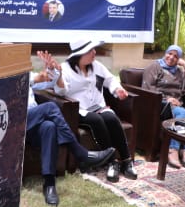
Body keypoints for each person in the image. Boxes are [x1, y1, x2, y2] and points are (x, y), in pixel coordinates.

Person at [26, 54, 116, 207]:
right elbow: (33, 80)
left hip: (33, 125)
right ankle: (80, 153)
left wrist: (53, 70)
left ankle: (49, 184)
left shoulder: (26, 75)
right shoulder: (2, 79)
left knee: (49, 127)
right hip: (16, 124)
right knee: (50, 107)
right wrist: (36, 78)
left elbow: (48, 80)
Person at [55, 40, 136, 182]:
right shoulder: (65, 69)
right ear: (80, 54)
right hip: (79, 110)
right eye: (90, 50)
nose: (94, 52)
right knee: (96, 120)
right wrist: (59, 77)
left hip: (99, 106)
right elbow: (61, 91)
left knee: (111, 118)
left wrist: (117, 90)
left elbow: (110, 80)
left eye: (94, 49)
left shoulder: (97, 66)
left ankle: (126, 160)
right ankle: (112, 162)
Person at [141, 44, 185, 168]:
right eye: (169, 53)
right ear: (165, 53)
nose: (171, 57)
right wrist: (167, 99)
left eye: (176, 56)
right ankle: (173, 150)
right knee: (183, 113)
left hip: (177, 105)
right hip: (159, 104)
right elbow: (147, 88)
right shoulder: (154, 66)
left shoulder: (179, 71)